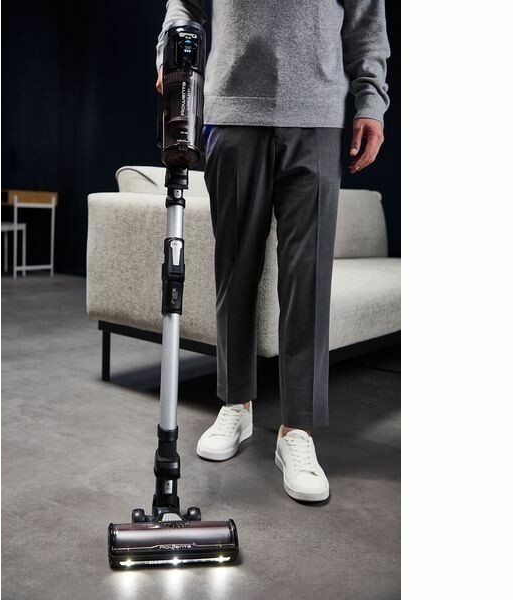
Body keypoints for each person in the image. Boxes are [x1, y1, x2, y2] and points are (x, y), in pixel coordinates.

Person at [155, 0, 389, 502]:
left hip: (319, 115)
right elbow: (184, 6)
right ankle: (235, 405)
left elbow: (367, 20)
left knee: (308, 279)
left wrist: (371, 100)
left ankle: (297, 429)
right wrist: (173, 57)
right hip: (232, 109)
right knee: (234, 270)